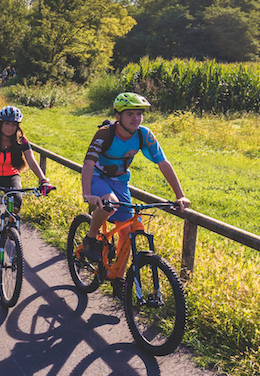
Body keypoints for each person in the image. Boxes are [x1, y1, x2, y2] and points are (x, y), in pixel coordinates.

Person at [80, 92, 191, 259]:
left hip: (120, 180)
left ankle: (118, 278)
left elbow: (163, 163)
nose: (136, 118)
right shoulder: (105, 133)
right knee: (112, 203)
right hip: (97, 176)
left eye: (139, 114)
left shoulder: (144, 134)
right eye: (130, 114)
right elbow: (88, 164)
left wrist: (180, 196)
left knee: (126, 233)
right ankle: (91, 237)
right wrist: (87, 194)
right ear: (118, 115)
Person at [0, 104, 52, 266]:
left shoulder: (21, 140)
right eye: (7, 123)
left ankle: (10, 231)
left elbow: (31, 161)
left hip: (10, 175)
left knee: (17, 201)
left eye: (14, 124)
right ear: (1, 124)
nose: (10, 127)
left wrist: (43, 179)